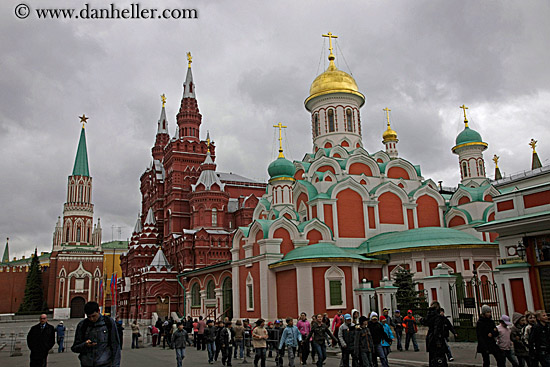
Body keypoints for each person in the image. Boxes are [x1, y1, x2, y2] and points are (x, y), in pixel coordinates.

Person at [71, 301, 121, 367]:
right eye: (89, 317)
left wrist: (116, 365)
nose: (92, 319)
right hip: (87, 364)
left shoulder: (108, 322)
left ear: (99, 311)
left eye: (94, 316)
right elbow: (75, 348)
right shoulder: (82, 325)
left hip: (105, 364)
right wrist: (85, 345)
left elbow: (115, 345)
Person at [421, 302, 449, 367]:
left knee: (432, 357)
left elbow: (424, 322)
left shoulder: (429, 315)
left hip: (430, 338)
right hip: (436, 339)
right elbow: (437, 329)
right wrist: (438, 341)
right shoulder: (437, 317)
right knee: (440, 357)